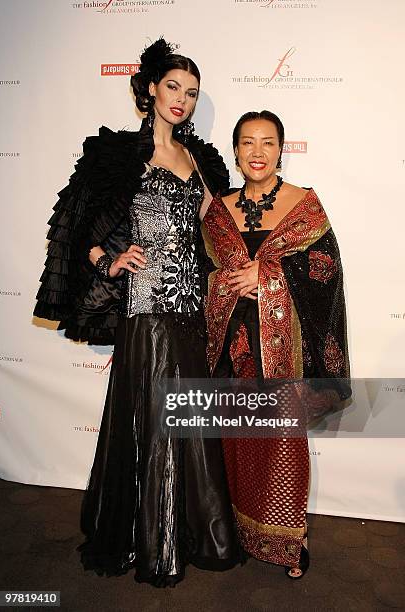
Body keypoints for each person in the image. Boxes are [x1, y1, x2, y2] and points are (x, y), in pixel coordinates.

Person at [33, 38, 240, 587]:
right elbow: (75, 228)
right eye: (173, 87)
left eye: (192, 93)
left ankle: (188, 529)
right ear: (150, 88)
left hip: (191, 308)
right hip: (145, 309)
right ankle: (149, 537)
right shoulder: (116, 154)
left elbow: (216, 234)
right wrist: (109, 258)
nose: (182, 99)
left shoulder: (203, 160)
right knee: (147, 416)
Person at [201, 110, 350, 578]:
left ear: (281, 149)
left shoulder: (304, 205)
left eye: (268, 142)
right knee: (235, 442)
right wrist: (229, 281)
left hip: (280, 349)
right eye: (248, 143)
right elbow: (198, 272)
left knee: (282, 443)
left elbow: (326, 270)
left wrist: (266, 275)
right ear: (236, 150)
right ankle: (239, 533)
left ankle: (290, 541)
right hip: (233, 345)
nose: (258, 152)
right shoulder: (219, 210)